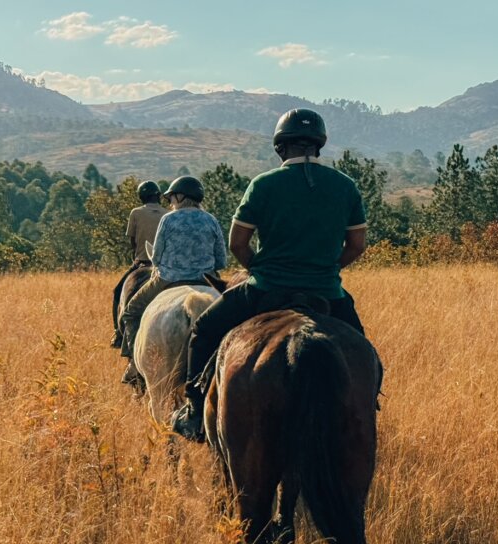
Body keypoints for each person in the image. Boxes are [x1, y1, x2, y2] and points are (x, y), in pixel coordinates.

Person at [172, 108, 368, 442]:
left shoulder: (263, 184)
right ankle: (365, 406)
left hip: (266, 288)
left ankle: (193, 410)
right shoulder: (345, 186)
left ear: (280, 148)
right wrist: (328, 268)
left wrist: (259, 269)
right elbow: (357, 245)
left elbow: (238, 243)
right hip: (327, 291)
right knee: (364, 351)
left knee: (204, 330)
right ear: (319, 145)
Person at [119, 175, 227, 386]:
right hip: (207, 280)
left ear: (179, 196)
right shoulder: (211, 219)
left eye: (171, 198)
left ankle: (134, 364)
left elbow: (156, 256)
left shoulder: (169, 219)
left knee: (131, 312)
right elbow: (221, 260)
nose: (169, 202)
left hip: (168, 279)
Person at [111, 181, 168, 348]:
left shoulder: (135, 213)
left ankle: (118, 334)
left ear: (142, 197)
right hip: (163, 267)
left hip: (142, 262)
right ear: (158, 196)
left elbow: (133, 242)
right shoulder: (167, 214)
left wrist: (136, 258)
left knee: (117, 292)